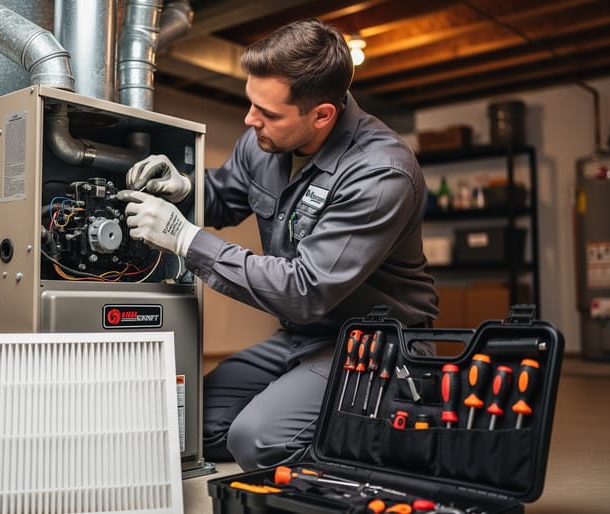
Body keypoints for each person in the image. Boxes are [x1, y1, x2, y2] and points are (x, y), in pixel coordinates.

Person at [116, 18, 438, 471]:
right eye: (251, 104)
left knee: (259, 441)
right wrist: (186, 187)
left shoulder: (381, 173)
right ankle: (316, 404)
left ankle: (398, 423)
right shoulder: (260, 144)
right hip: (301, 337)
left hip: (374, 342)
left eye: (267, 113)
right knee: (186, 427)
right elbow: (225, 196)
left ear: (322, 114)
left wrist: (184, 238)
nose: (250, 121)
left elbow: (304, 290)